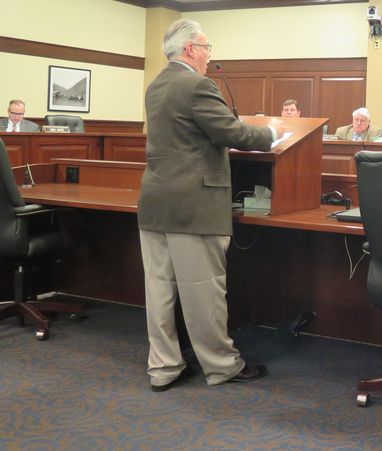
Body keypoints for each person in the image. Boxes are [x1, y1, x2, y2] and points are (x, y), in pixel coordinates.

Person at [138, 18, 285, 392]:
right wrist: (272, 134)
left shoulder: (156, 85)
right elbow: (231, 132)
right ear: (190, 50)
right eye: (206, 49)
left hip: (156, 203)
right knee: (203, 291)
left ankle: (164, 366)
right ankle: (221, 365)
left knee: (159, 290)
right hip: (194, 206)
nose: (208, 56)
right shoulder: (197, 84)